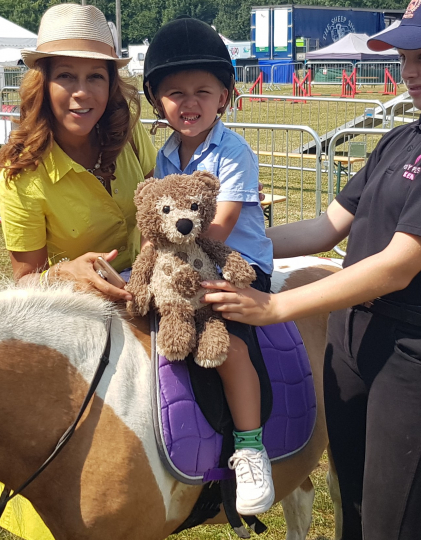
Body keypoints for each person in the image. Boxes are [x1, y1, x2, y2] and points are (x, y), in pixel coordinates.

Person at [203, 0, 421, 538]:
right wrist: (225, 247)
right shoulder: (404, 136)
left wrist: (275, 306)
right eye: (403, 58)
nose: (408, 71)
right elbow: (327, 227)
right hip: (352, 337)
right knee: (352, 513)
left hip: (412, 350)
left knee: (387, 526)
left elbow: (398, 266)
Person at [143, 17, 276, 515]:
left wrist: (174, 262)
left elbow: (219, 226)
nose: (189, 102)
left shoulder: (233, 152)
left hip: (234, 265)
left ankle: (249, 446)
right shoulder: (165, 156)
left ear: (225, 95)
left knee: (232, 346)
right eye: (175, 92)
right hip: (181, 265)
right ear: (158, 101)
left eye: (203, 90)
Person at [0, 3, 155, 300]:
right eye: (66, 76)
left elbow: (161, 200)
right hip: (82, 308)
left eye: (95, 76)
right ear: (42, 84)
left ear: (111, 85)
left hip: (154, 285)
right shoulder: (19, 173)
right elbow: (25, 279)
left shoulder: (130, 133)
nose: (82, 92)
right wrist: (64, 273)